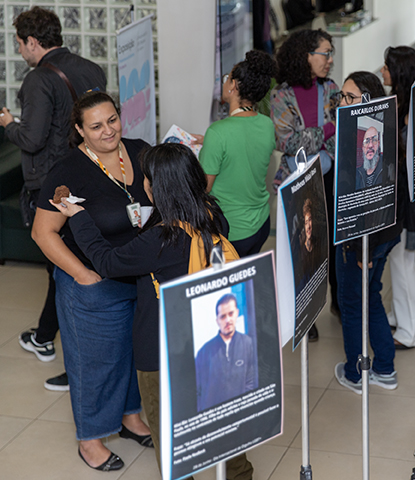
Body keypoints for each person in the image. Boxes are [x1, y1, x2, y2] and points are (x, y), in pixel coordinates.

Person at [50, 143, 254, 480]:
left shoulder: (161, 241)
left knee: (170, 435)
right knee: (223, 424)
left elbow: (106, 261)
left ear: (156, 189)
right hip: (209, 340)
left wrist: (80, 217)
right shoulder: (212, 215)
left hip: (163, 352)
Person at [32, 92, 151, 471]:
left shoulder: (140, 151)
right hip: (94, 286)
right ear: (80, 131)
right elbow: (43, 232)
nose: (107, 131)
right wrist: (83, 275)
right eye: (96, 126)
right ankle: (91, 439)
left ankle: (131, 418)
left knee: (132, 354)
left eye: (112, 120)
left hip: (141, 280)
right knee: (95, 364)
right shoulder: (68, 171)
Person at [1, 6, 105, 391]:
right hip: (91, 174)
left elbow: (32, 139)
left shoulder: (37, 81)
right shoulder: (90, 68)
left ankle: (58, 346)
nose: (20, 51)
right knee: (77, 257)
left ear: (31, 41)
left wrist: (9, 124)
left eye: (20, 43)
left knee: (62, 266)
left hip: (52, 187)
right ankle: (45, 333)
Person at [333, 71, 402, 393]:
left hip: (361, 243)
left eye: (349, 97)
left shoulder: (359, 150)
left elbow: (367, 203)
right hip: (381, 239)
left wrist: (361, 251)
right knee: (372, 297)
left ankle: (355, 372)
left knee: (352, 304)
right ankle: (385, 368)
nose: (341, 103)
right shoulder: (391, 134)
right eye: (342, 96)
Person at [271, 29, 341, 340]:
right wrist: (326, 128)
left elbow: (342, 133)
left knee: (333, 244)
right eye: (325, 53)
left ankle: (338, 302)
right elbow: (287, 141)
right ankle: (305, 313)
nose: (330, 60)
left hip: (329, 177)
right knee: (303, 249)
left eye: (331, 54)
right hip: (297, 181)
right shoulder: (281, 96)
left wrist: (323, 136)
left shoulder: (332, 88)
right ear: (306, 55)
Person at [197, 50, 277, 257]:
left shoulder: (218, 132)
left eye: (226, 78)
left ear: (233, 85)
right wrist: (210, 143)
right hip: (261, 225)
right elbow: (245, 143)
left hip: (232, 231)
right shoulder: (267, 124)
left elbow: (203, 187)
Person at [381, 46, 415, 349]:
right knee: (401, 263)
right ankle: (402, 317)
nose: (382, 71)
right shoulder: (413, 102)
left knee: (403, 264)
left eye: (386, 67)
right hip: (405, 198)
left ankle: (411, 332)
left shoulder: (411, 112)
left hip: (405, 202)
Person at [196, 293, 258, 411]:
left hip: (242, 414)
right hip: (213, 420)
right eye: (223, 316)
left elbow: (252, 381)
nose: (228, 320)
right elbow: (198, 392)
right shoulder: (203, 353)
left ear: (237, 313)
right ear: (217, 320)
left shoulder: (248, 343)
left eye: (231, 314)